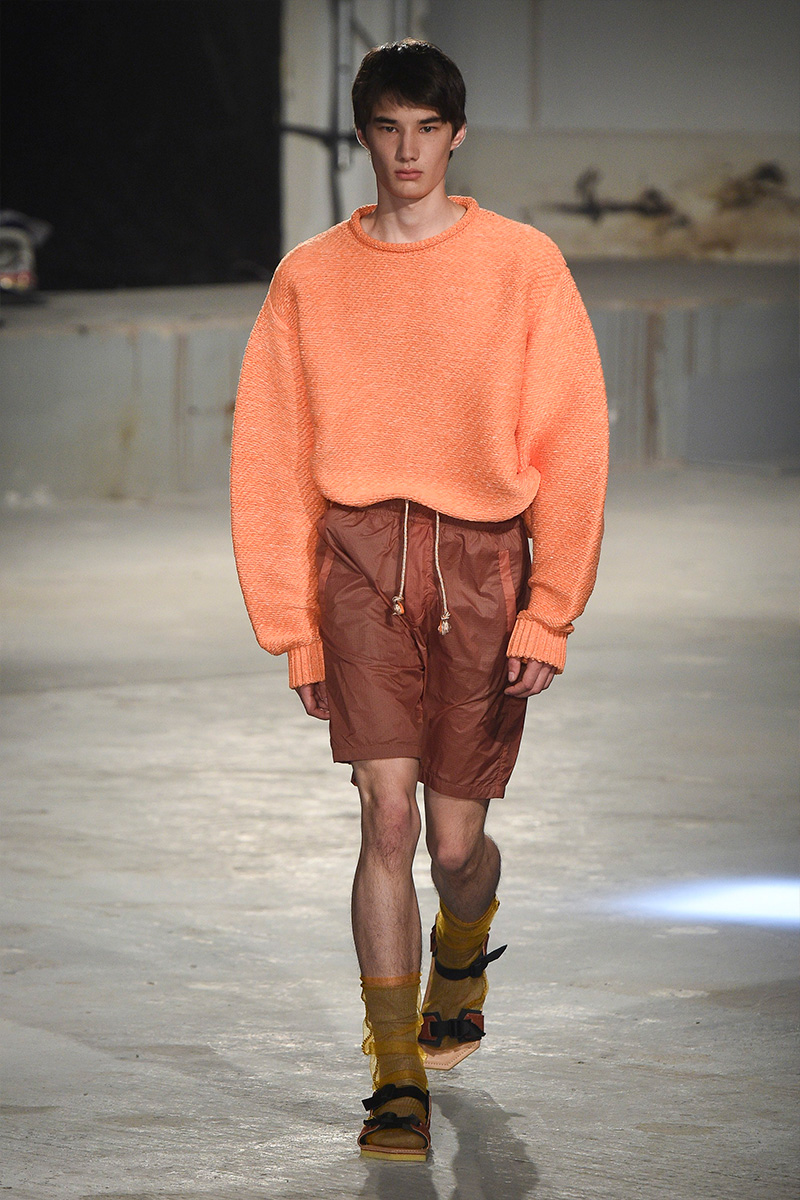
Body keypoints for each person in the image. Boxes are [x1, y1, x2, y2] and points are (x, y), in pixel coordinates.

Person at [230, 38, 608, 1163]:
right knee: (385, 816)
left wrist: (549, 609)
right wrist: (291, 625)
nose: (408, 151)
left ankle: (464, 938)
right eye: (388, 129)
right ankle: (395, 1079)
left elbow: (571, 441)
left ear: (455, 135)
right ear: (362, 137)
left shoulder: (522, 264)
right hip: (358, 563)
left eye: (427, 129)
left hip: (482, 570)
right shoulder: (309, 277)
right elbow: (271, 455)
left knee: (452, 844)